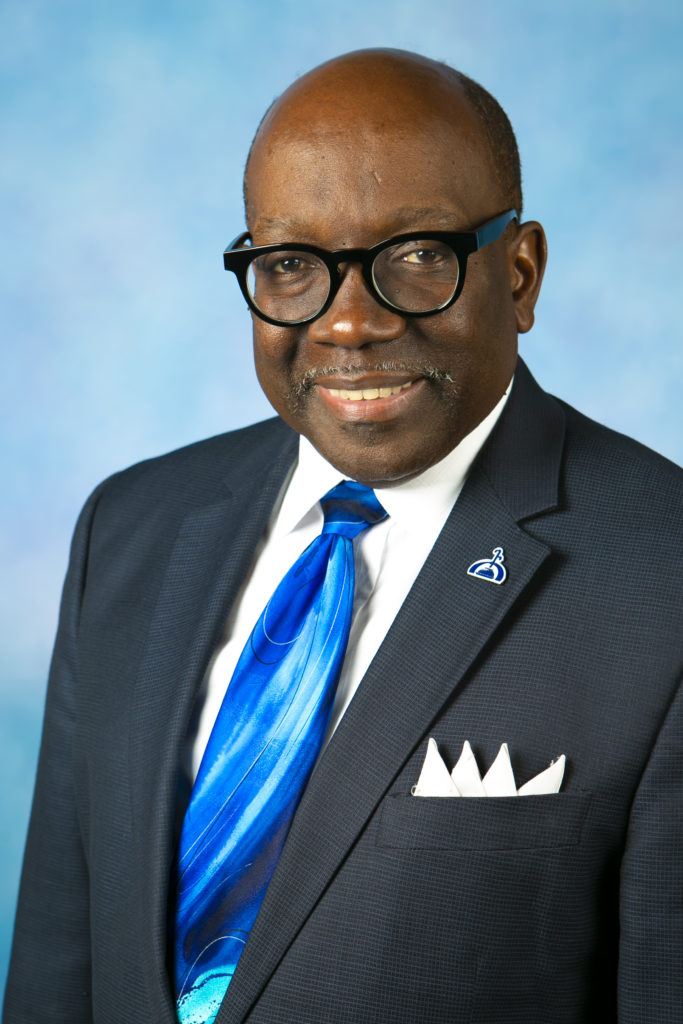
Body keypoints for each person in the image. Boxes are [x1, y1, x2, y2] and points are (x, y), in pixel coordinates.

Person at [4, 48, 682, 1024]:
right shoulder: (129, 535)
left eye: (416, 257)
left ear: (519, 272)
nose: (348, 322)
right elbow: (56, 981)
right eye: (291, 267)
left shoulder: (657, 578)